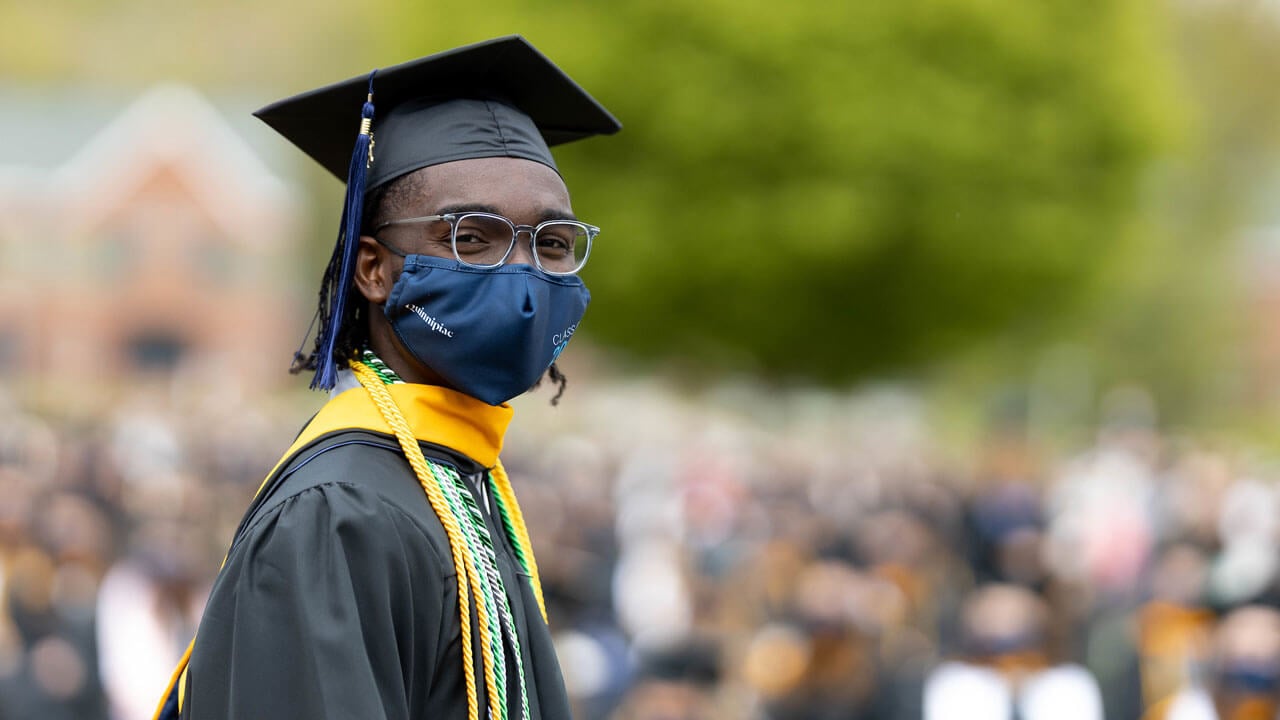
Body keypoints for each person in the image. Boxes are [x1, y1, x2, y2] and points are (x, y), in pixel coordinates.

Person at [152, 35, 621, 720]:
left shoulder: (458, 482)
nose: (523, 274)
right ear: (374, 269)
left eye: (551, 243)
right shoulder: (340, 513)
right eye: (471, 237)